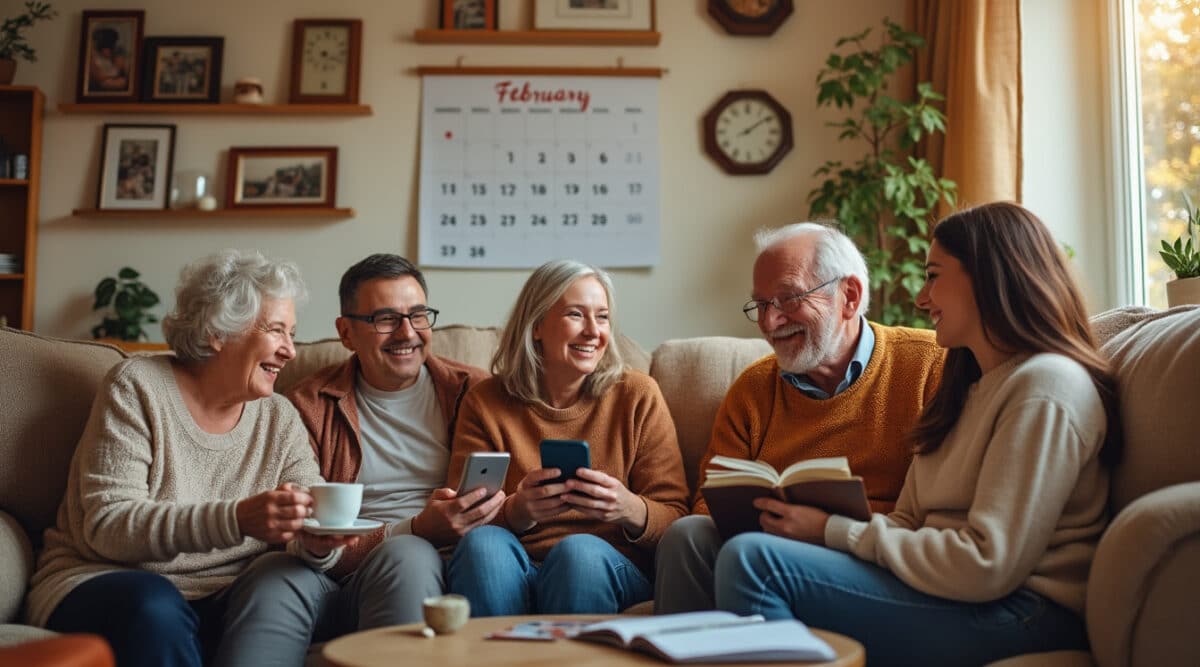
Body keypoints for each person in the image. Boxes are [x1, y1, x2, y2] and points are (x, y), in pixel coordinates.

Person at [714, 202, 1122, 666]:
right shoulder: (967, 387)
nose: (921, 298)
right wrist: (811, 530)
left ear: (987, 278)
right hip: (952, 591)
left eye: (933, 275)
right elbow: (910, 522)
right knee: (733, 548)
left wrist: (831, 531)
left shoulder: (1046, 387)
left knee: (753, 563)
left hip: (1023, 611)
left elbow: (988, 564)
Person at [27, 250, 356, 667]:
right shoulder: (138, 387)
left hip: (226, 593)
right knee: (157, 606)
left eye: (292, 333)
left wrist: (317, 543)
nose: (290, 350)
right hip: (103, 579)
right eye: (276, 331)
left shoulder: (279, 417)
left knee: (280, 584)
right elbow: (107, 527)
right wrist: (236, 519)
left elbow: (307, 527)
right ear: (218, 332)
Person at [654, 222, 945, 613]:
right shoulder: (753, 390)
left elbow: (943, 510)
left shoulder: (930, 366)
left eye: (789, 298)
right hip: (767, 548)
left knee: (751, 556)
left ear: (850, 296)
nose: (770, 322)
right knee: (686, 535)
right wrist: (773, 524)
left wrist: (822, 528)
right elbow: (708, 504)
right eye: (760, 304)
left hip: (878, 555)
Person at [445, 259, 689, 615]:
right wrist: (517, 511)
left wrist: (627, 507)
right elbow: (460, 518)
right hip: (515, 566)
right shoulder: (486, 402)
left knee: (578, 553)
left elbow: (677, 518)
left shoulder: (637, 395)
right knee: (483, 545)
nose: (594, 332)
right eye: (576, 314)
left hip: (606, 566)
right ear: (537, 325)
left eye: (602, 317)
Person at [287, 253, 494, 626]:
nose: (408, 333)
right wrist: (415, 529)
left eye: (417, 315)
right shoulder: (308, 405)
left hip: (452, 557)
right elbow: (304, 527)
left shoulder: (473, 392)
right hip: (349, 562)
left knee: (411, 556)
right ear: (346, 333)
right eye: (386, 319)